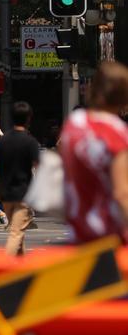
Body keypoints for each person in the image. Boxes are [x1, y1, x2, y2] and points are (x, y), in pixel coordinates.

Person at [60, 61, 128, 243]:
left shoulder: (74, 124)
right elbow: (121, 193)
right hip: (107, 234)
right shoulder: (116, 131)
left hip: (76, 231)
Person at [0, 101, 40, 256]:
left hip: (5, 195)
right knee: (16, 232)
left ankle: (20, 267)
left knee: (18, 230)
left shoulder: (2, 141)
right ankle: (6, 269)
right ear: (29, 118)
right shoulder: (30, 142)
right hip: (24, 194)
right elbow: (39, 167)